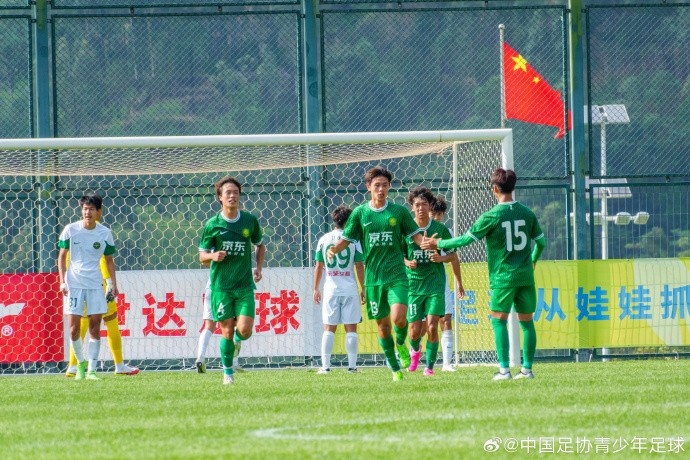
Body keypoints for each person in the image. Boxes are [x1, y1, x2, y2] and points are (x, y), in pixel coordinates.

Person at [422, 168, 545, 380]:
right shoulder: (527, 213)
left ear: (494, 189)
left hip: (503, 277)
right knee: (527, 322)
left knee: (499, 321)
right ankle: (527, 370)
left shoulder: (491, 216)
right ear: (513, 187)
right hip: (525, 277)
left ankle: (504, 370)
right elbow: (541, 242)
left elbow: (465, 240)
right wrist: (532, 261)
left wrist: (438, 243)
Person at [327, 166, 423, 382]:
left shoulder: (398, 212)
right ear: (368, 187)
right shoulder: (361, 213)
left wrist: (426, 243)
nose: (381, 189)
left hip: (397, 274)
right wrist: (334, 249)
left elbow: (415, 236)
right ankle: (394, 368)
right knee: (383, 326)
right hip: (373, 280)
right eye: (377, 185)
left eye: (385, 185)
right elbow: (348, 239)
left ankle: (401, 343)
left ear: (389, 187)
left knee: (399, 319)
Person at [199, 176, 266, 385]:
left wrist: (258, 267)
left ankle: (238, 341)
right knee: (226, 330)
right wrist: (213, 256)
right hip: (221, 287)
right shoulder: (212, 225)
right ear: (219, 197)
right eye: (227, 192)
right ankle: (228, 374)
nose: (232, 196)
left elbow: (260, 245)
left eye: (235, 192)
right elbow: (202, 256)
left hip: (244, 285)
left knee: (244, 330)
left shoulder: (249, 221)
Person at [403, 187, 463, 376]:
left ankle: (429, 367)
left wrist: (441, 258)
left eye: (424, 204)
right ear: (412, 207)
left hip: (435, 285)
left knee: (432, 326)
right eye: (417, 205)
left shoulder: (440, 230)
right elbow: (398, 255)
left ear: (430, 207)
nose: (421, 208)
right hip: (414, 286)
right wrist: (407, 262)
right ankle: (414, 350)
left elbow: (453, 255)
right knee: (414, 331)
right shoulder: (406, 230)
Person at [58, 194, 118, 381]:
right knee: (73, 330)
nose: (87, 212)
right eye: (85, 208)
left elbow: (109, 260)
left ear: (99, 212)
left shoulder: (104, 233)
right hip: (74, 285)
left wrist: (113, 284)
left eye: (91, 209)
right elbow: (61, 257)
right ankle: (80, 363)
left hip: (94, 285)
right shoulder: (71, 230)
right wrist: (62, 281)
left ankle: (92, 369)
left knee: (94, 328)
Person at [64, 254, 139, 377]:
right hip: (98, 284)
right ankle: (119, 365)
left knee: (81, 324)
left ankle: (73, 366)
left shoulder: (72, 236)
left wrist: (67, 282)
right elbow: (104, 259)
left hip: (77, 285)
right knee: (111, 322)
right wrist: (109, 282)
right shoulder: (98, 235)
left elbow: (66, 258)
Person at [313, 205, 365, 374]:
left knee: (329, 328)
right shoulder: (354, 240)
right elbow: (359, 265)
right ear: (350, 221)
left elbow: (318, 266)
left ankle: (325, 367)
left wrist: (315, 288)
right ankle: (352, 367)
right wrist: (363, 287)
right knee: (351, 328)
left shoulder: (323, 239)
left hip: (330, 289)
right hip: (349, 288)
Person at [430, 195, 465, 372]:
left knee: (446, 320)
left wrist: (459, 282)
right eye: (433, 214)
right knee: (420, 327)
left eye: (439, 214)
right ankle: (413, 359)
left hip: (441, 283)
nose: (436, 218)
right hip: (419, 284)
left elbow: (453, 257)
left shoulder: (447, 232)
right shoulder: (417, 231)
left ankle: (446, 364)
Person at [194, 278, 243, 373]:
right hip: (228, 289)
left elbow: (207, 263)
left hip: (211, 288)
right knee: (234, 325)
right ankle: (234, 362)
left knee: (208, 326)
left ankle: (200, 358)